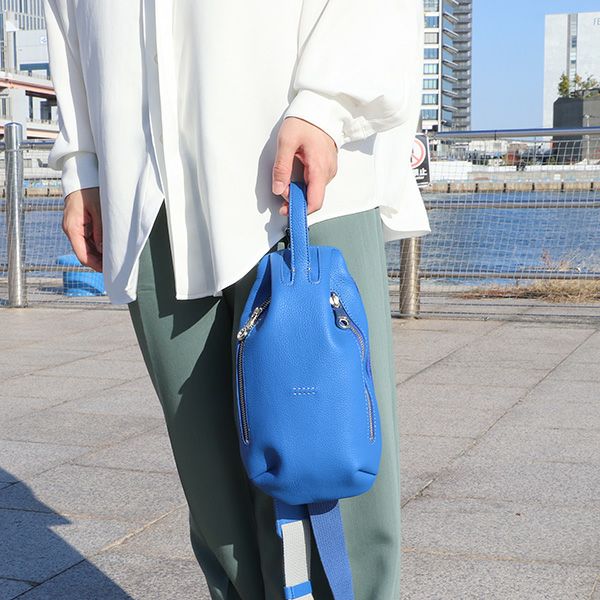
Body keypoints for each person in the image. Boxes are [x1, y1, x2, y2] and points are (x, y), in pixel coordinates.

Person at [44, 1, 430, 597]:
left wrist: (329, 102)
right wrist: (82, 165)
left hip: (296, 166)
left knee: (328, 473)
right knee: (215, 495)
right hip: (142, 183)